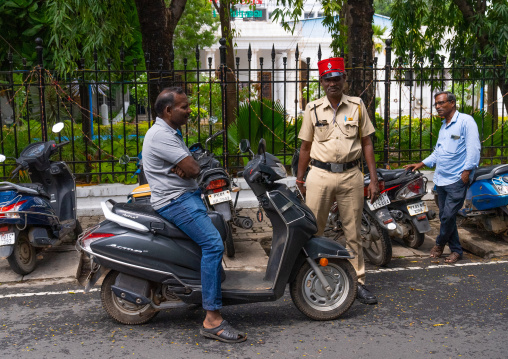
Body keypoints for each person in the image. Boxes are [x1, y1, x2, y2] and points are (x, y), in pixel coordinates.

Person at [142, 87, 246, 343]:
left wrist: (188, 167)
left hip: (185, 196)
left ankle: (199, 292)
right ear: (168, 111)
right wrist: (187, 166)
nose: (189, 111)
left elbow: (190, 167)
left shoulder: (169, 131)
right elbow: (194, 167)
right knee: (212, 244)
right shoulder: (160, 136)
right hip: (176, 201)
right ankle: (212, 320)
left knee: (210, 238)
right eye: (184, 107)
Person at [296, 57, 380, 305]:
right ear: (322, 82)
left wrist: (372, 179)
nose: (332, 83)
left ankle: (358, 283)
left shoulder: (356, 105)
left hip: (351, 176)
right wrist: (300, 179)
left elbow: (367, 143)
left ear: (344, 79)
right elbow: (305, 147)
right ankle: (313, 277)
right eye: (327, 79)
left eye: (337, 78)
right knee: (314, 230)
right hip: (319, 175)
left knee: (353, 232)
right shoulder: (312, 108)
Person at [404, 91, 480, 264]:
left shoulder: (466, 121)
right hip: (441, 178)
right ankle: (456, 251)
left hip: (457, 179)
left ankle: (439, 244)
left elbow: (474, 149)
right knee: (448, 217)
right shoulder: (444, 126)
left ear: (452, 103)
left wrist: (467, 171)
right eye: (436, 104)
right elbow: (438, 152)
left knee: (446, 216)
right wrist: (421, 164)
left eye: (441, 103)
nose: (437, 107)